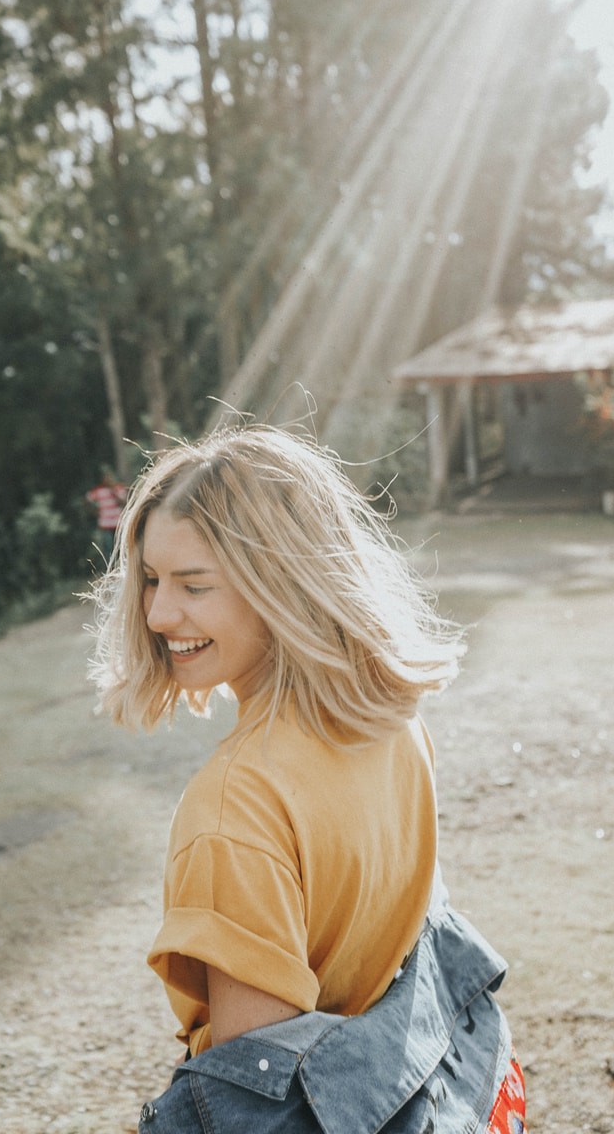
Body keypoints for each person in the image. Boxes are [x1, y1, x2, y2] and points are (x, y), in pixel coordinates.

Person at [89, 425, 527, 1134]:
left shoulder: (237, 805)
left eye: (193, 585)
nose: (158, 614)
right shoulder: (390, 721)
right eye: (149, 578)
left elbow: (259, 1103)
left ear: (280, 584)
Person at [85, 468, 128, 564]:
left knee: (120, 548)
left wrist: (113, 490)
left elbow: (124, 501)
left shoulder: (118, 488)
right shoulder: (98, 490)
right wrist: (94, 512)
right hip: (105, 525)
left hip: (118, 524)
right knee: (108, 549)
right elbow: (87, 499)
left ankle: (121, 566)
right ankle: (110, 568)